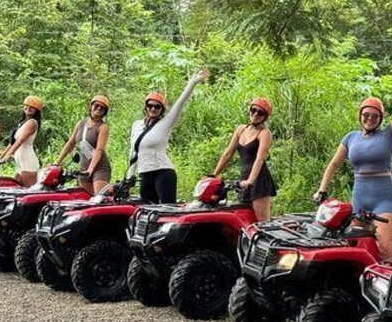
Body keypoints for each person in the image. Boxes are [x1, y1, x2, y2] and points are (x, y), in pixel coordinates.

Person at [314, 59, 392, 259]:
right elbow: (334, 164)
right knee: (357, 244)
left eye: (375, 116)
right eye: (366, 114)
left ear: (380, 119)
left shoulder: (388, 135)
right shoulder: (351, 137)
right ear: (360, 116)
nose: (369, 119)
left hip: (383, 197)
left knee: (385, 247)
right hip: (360, 195)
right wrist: (322, 190)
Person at [128, 69, 209, 203]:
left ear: (162, 110)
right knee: (147, 210)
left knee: (168, 208)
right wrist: (130, 175)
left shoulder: (165, 123)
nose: (153, 109)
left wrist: (193, 82)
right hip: (144, 173)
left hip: (162, 171)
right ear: (146, 107)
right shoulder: (137, 125)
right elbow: (133, 151)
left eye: (157, 107)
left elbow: (180, 103)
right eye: (150, 106)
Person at [212, 97, 277, 220]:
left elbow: (260, 159)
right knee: (245, 218)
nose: (255, 114)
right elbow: (228, 153)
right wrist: (214, 174)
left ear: (265, 117)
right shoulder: (241, 129)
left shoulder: (264, 133)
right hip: (244, 178)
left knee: (261, 221)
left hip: (259, 180)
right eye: (253, 110)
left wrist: (251, 181)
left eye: (260, 113)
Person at [54, 95, 112, 194]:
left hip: (99, 168)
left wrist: (91, 169)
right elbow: (70, 143)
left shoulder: (103, 127)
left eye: (102, 108)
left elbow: (99, 150)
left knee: (99, 199)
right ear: (91, 106)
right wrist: (57, 161)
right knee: (85, 199)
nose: (99, 108)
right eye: (97, 105)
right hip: (84, 167)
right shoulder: (81, 124)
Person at [0, 96, 42, 187]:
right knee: (13, 189)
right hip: (20, 164)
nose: (28, 108)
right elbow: (12, 143)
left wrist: (8, 156)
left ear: (37, 110)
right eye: (26, 105)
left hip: (28, 164)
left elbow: (21, 140)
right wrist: (1, 157)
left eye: (32, 107)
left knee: (29, 193)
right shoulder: (22, 122)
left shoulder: (32, 123)